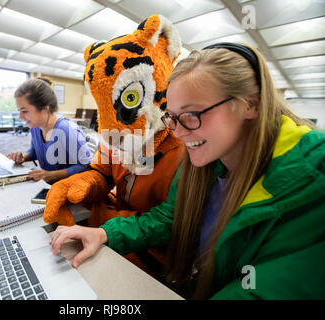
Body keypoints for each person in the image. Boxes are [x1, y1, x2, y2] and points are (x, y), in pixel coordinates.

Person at [49, 43, 325, 299]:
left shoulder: (314, 177)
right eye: (172, 117)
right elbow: (172, 217)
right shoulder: (208, 162)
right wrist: (106, 233)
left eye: (192, 114)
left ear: (250, 104)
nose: (178, 133)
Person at [7, 78, 92, 183]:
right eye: (19, 111)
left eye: (25, 111)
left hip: (70, 189)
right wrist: (23, 157)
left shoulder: (67, 129)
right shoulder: (35, 127)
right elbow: (35, 151)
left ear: (45, 109)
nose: (20, 117)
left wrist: (52, 175)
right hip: (47, 186)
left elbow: (87, 165)